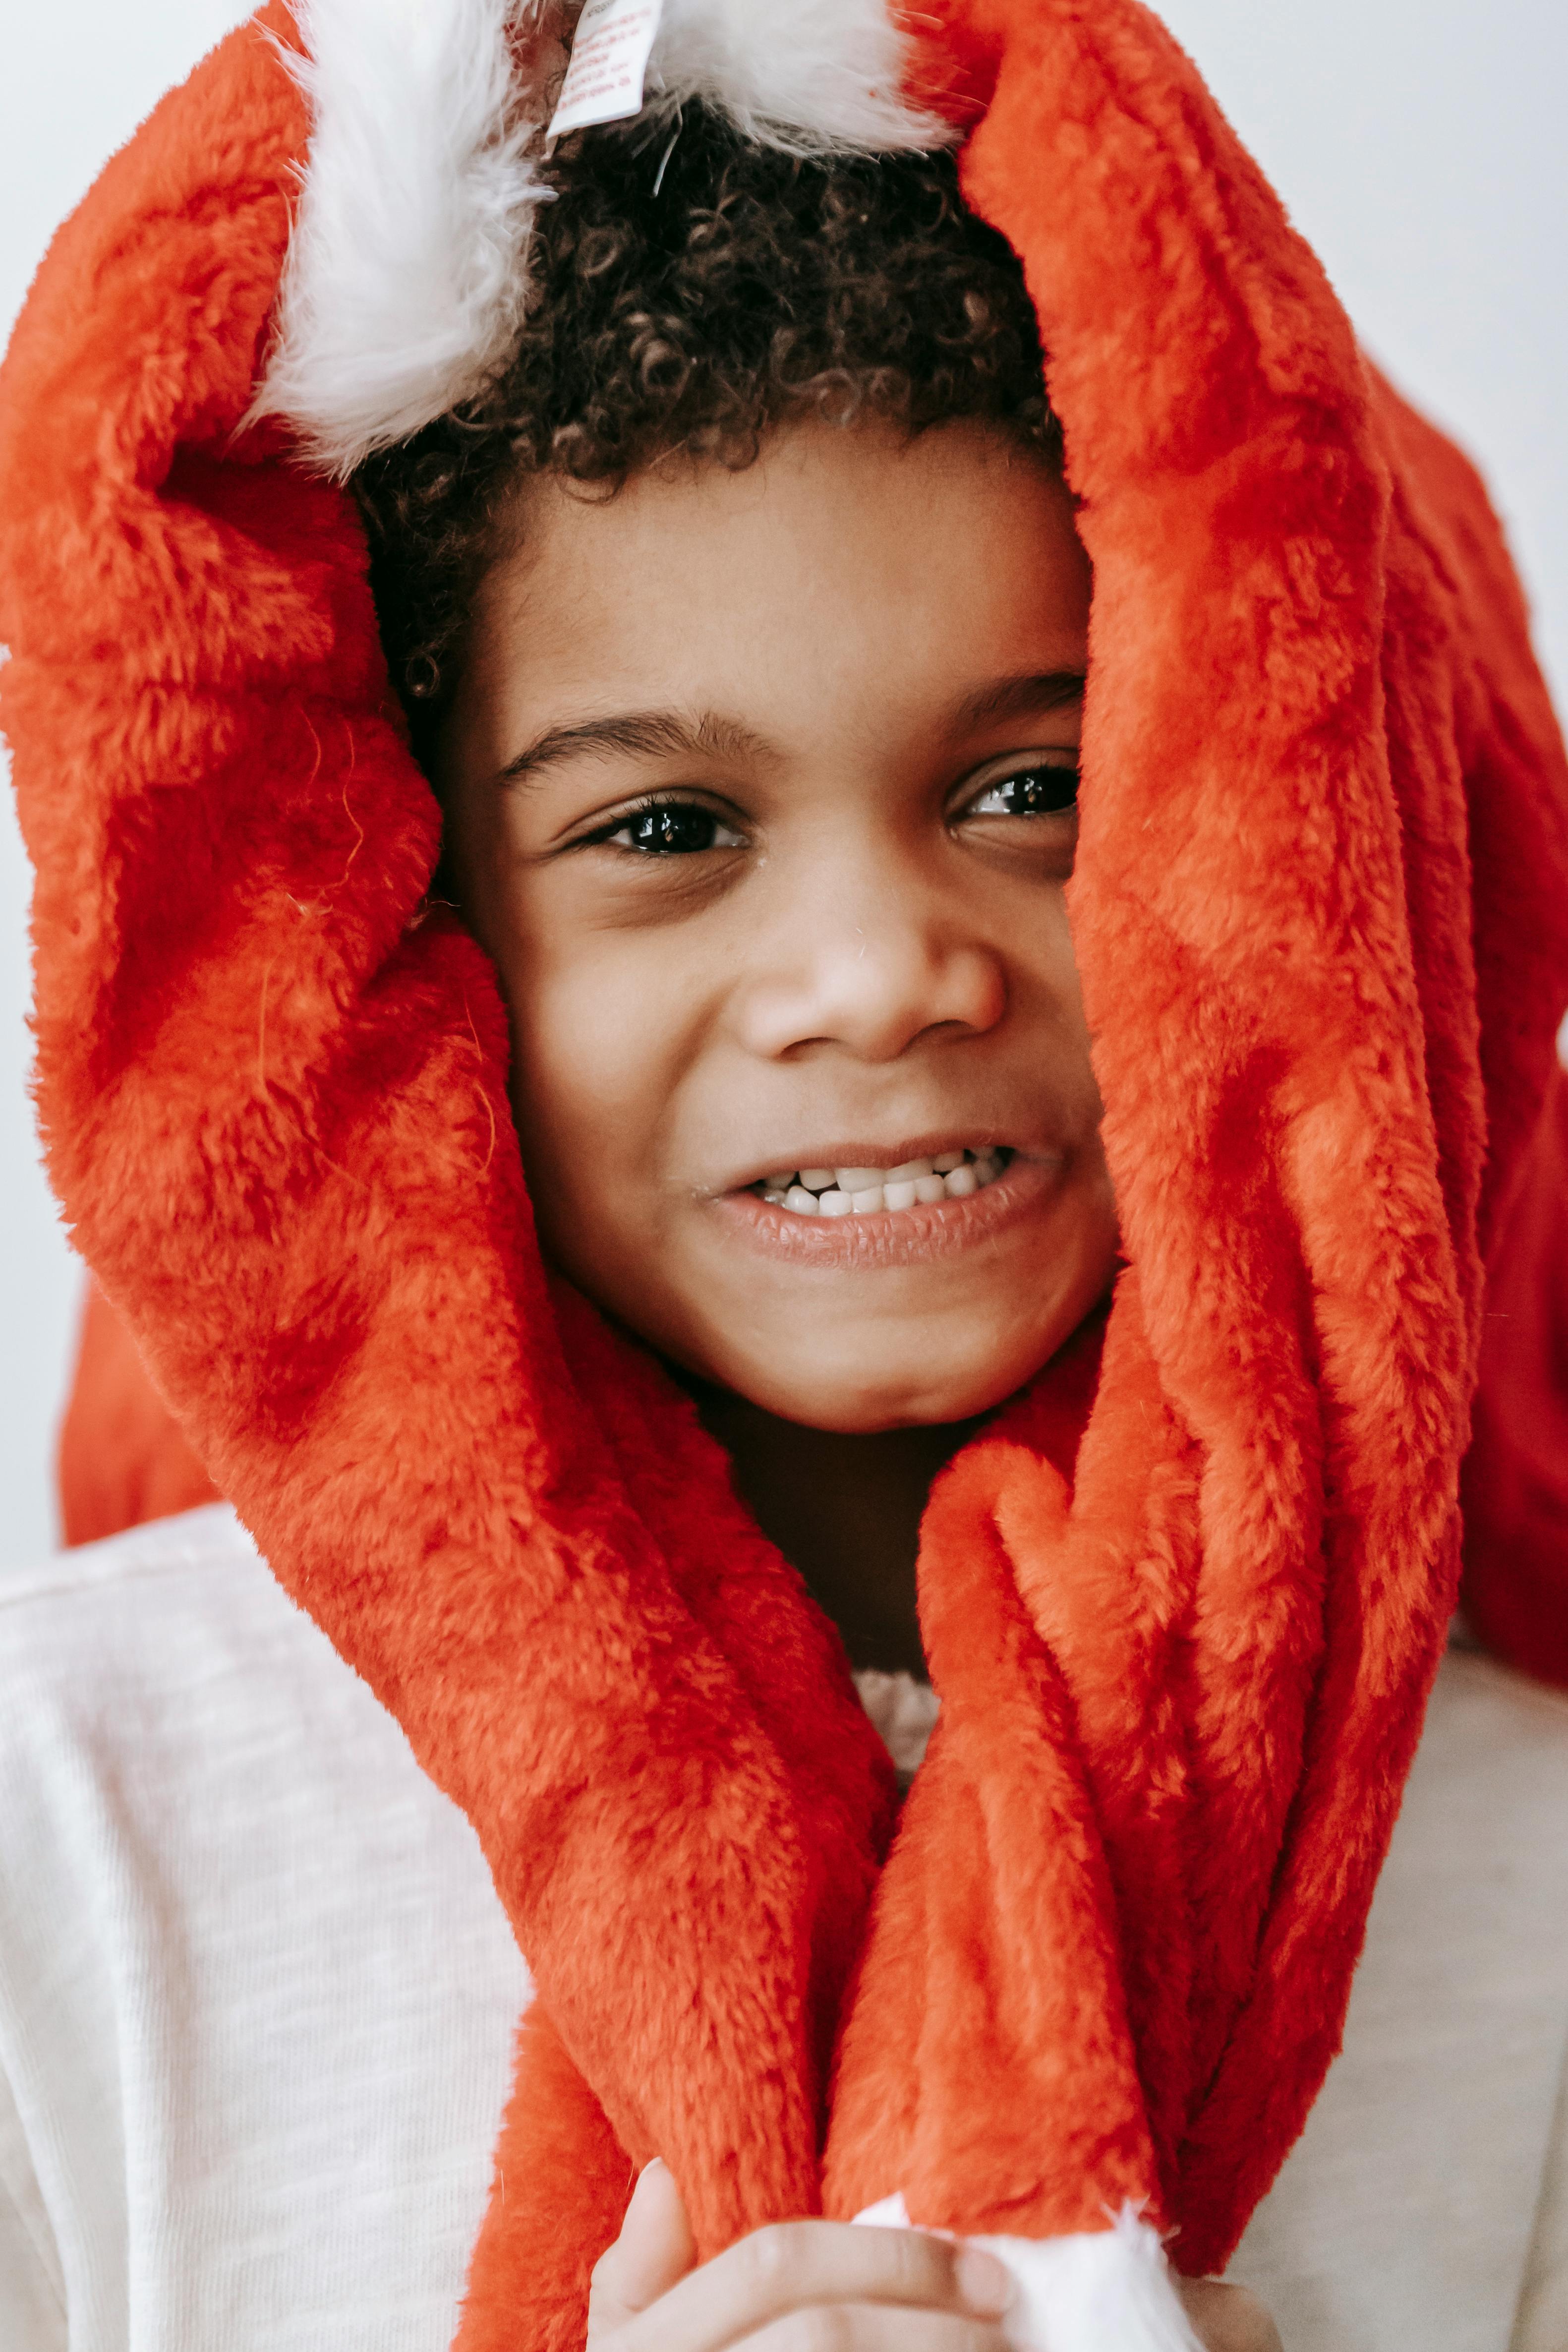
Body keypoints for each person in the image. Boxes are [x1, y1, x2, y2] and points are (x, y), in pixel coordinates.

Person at [1, 4, 1567, 2350]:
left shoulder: (1525, 1869)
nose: (870, 974)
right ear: (403, 940)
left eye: (1029, 788)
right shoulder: (67, 1834)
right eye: (662, 829)